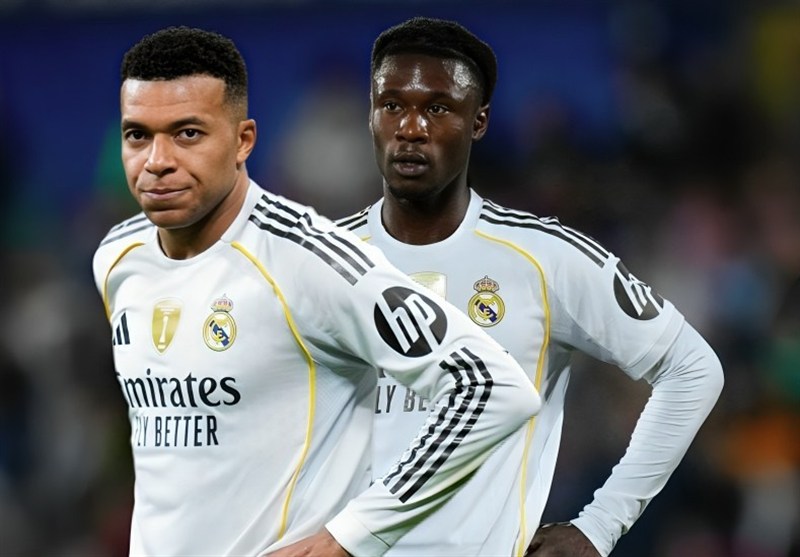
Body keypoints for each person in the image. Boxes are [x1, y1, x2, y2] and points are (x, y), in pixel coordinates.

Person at [91, 26, 541, 557]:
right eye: (137, 135)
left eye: (188, 133)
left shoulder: (309, 260)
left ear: (243, 141)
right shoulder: (118, 259)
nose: (157, 160)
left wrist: (350, 536)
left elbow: (492, 387)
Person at [337, 16, 725, 556]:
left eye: (438, 108)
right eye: (392, 105)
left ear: (479, 121)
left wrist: (600, 525)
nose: (411, 127)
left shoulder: (544, 258)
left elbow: (693, 369)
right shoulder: (316, 264)